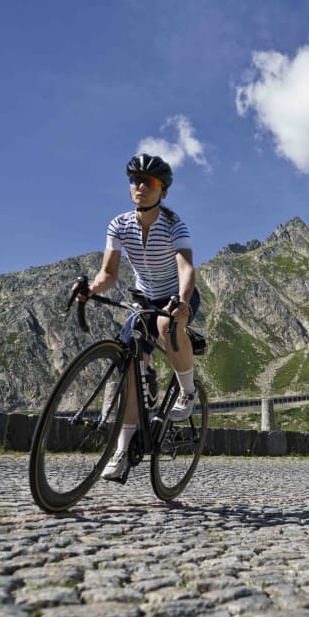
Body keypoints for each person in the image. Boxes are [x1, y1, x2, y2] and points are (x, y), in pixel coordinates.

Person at [76, 153, 200, 480]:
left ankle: (188, 391)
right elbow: (109, 274)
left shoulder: (174, 225)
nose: (141, 187)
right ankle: (122, 451)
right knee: (129, 368)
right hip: (143, 297)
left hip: (175, 295)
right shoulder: (119, 225)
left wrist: (182, 302)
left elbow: (186, 268)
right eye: (135, 181)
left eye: (150, 182)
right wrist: (90, 289)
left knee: (165, 324)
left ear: (163, 191)